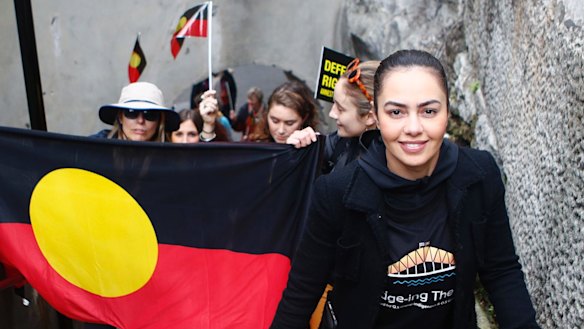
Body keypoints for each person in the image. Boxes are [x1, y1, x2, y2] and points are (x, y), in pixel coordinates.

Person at [270, 50, 540, 328]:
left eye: (429, 111)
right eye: (396, 112)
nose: (413, 127)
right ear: (375, 115)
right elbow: (301, 294)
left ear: (447, 111)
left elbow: (501, 271)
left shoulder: (479, 175)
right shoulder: (336, 192)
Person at [287, 59, 379, 174]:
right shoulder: (341, 141)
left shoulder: (386, 166)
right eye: (333, 103)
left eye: (340, 109)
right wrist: (301, 148)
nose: (332, 113)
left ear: (370, 117)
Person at [92, 82, 179, 141]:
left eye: (150, 114)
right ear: (120, 117)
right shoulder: (96, 148)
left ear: (159, 121)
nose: (140, 121)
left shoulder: (172, 157)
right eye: (131, 112)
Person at [248, 81, 319, 143]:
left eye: (289, 123)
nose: (281, 131)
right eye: (275, 121)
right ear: (267, 114)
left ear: (304, 118)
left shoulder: (315, 150)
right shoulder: (256, 144)